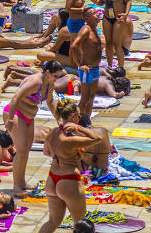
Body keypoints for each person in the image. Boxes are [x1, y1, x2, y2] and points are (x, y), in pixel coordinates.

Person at [37, 99, 103, 233]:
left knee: (52, 222)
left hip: (52, 179)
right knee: (80, 225)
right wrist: (79, 128)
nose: (79, 119)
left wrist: (60, 155)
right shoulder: (70, 140)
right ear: (73, 117)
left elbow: (46, 152)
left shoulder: (52, 132)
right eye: (78, 116)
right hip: (69, 180)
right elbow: (97, 138)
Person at [4, 61, 61, 196]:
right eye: (55, 76)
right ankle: (17, 186)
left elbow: (50, 102)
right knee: (21, 149)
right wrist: (10, 120)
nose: (57, 79)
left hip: (29, 117)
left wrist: (59, 119)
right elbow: (15, 98)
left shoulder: (49, 84)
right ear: (47, 73)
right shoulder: (35, 82)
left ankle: (22, 182)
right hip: (16, 114)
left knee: (26, 149)